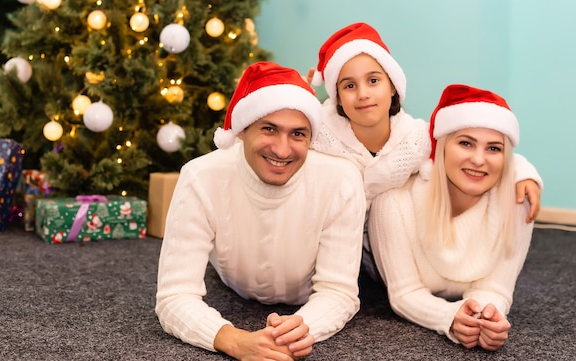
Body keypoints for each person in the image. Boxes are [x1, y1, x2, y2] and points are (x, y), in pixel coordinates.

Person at [155, 61, 367, 360]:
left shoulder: (341, 180)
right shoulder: (200, 177)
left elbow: (338, 290)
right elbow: (174, 295)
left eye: (297, 134)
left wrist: (297, 331)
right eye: (269, 129)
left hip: (305, 298)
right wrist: (234, 340)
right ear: (242, 130)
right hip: (233, 286)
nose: (282, 150)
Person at [306, 22, 542, 279]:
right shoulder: (319, 130)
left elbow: (470, 151)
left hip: (376, 251)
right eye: (349, 86)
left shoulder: (415, 138)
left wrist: (524, 173)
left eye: (373, 81)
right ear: (337, 95)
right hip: (320, 245)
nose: (363, 94)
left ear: (392, 85)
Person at [368, 84, 535, 351]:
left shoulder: (518, 203)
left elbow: (496, 288)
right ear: (442, 146)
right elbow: (404, 294)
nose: (479, 159)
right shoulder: (392, 202)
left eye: (493, 148)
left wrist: (488, 317)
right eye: (466, 143)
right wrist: (449, 317)